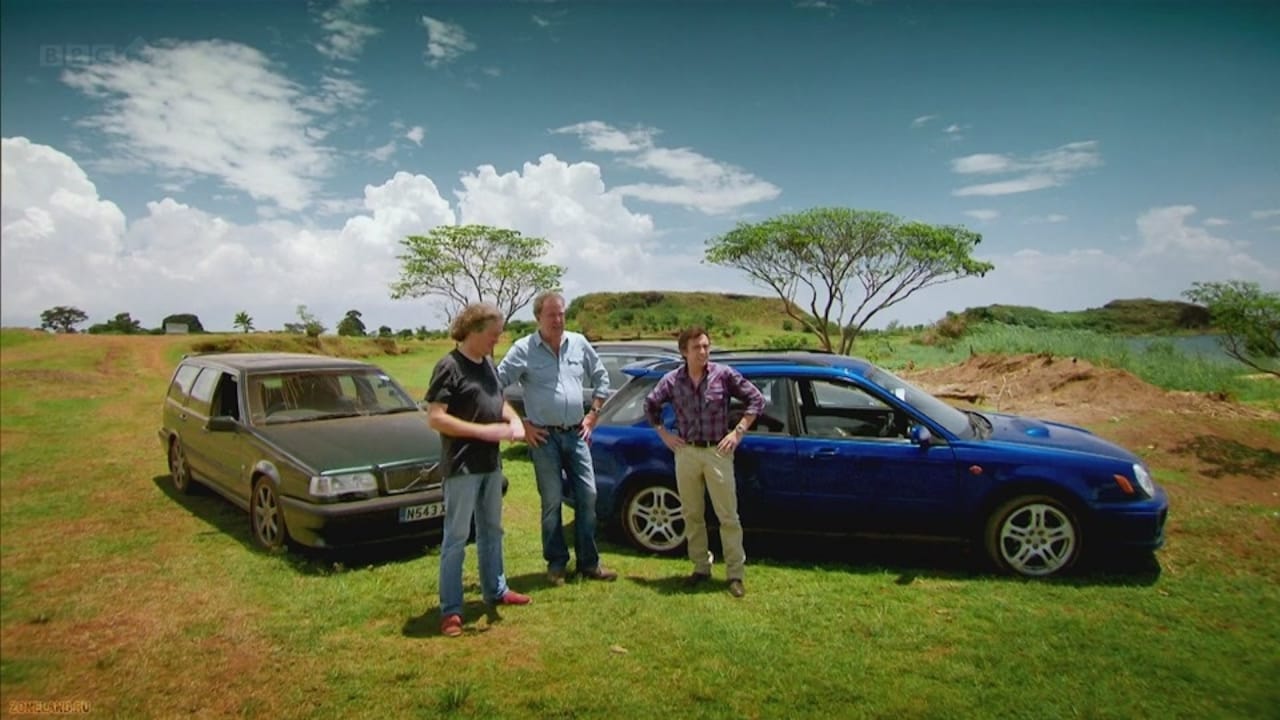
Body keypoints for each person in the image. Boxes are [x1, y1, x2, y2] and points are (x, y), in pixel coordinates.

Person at [497, 291, 618, 585]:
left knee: (588, 495)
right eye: (551, 314)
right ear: (538, 317)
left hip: (576, 434)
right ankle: (557, 563)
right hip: (543, 439)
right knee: (551, 501)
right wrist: (521, 424)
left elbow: (602, 378)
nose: (558, 320)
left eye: (562, 313)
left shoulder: (578, 343)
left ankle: (589, 563)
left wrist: (593, 415)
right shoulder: (523, 349)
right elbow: (494, 385)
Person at [425, 302, 531, 638]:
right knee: (456, 538)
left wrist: (513, 420)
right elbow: (436, 416)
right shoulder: (449, 366)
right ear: (473, 330)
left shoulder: (487, 364)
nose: (496, 342)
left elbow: (497, 401)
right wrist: (485, 432)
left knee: (492, 531)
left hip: (490, 465)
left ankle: (496, 590)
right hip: (462, 466)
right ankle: (451, 610)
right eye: (493, 335)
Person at [643, 326, 764, 598]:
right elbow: (650, 405)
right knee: (692, 514)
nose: (703, 352)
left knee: (728, 516)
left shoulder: (723, 375)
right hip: (686, 453)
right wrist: (664, 434)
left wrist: (738, 432)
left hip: (717, 452)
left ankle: (735, 574)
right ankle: (700, 568)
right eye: (697, 347)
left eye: (706, 346)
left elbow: (756, 399)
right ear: (684, 352)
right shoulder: (672, 380)